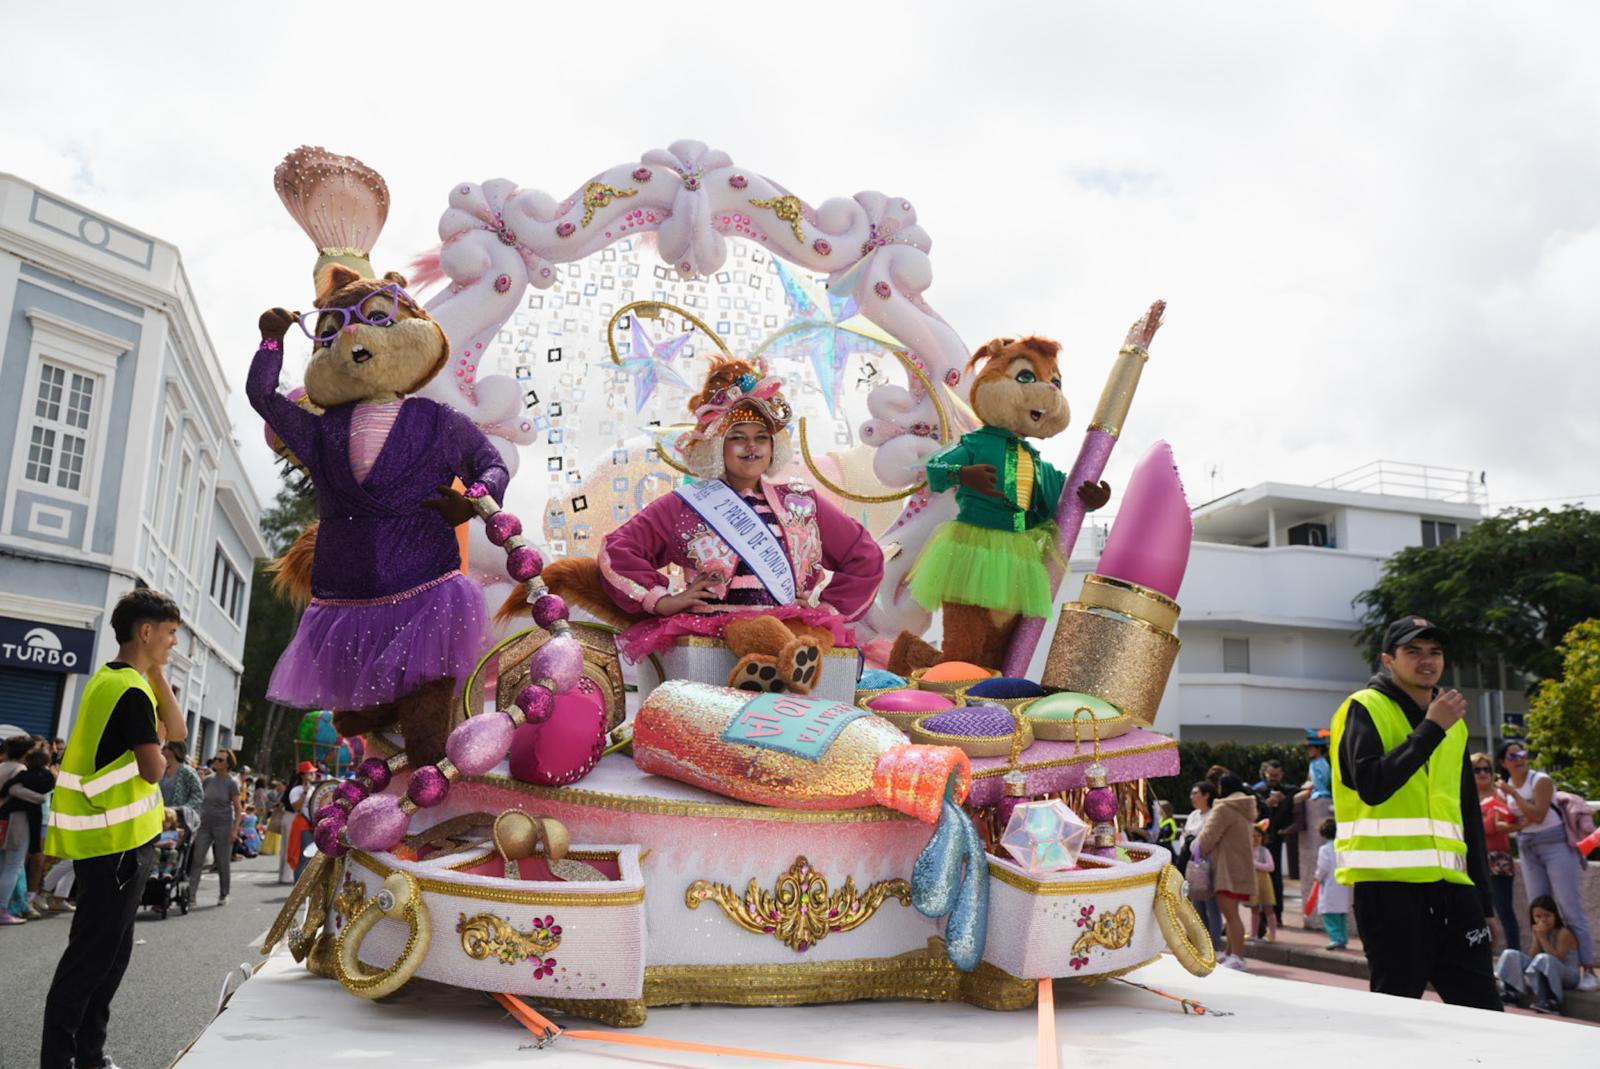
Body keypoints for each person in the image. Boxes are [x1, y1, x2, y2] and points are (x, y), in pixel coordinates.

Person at [42, 587, 188, 1069]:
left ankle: (89, 1054)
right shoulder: (129, 692)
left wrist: (158, 670)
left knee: (106, 956)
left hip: (114, 841)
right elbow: (154, 768)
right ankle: (64, 1058)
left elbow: (179, 731)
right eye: (168, 635)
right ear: (145, 631)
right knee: (92, 960)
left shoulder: (116, 679)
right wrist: (162, 750)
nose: (173, 644)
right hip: (117, 843)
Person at [1331, 617, 1500, 1010]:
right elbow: (1373, 786)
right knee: (1398, 1013)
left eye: (1435, 652)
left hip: (1454, 892)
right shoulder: (1364, 708)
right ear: (1388, 659)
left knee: (1486, 1015)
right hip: (1390, 893)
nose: (1427, 661)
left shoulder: (1451, 721)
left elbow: (1467, 816)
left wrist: (1485, 903)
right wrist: (1431, 728)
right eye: (1413, 651)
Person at [1498, 740, 1597, 990]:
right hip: (1528, 846)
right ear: (1503, 762)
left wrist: (1515, 798)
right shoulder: (1507, 787)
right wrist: (1520, 821)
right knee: (1539, 909)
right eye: (1513, 755)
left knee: (1570, 907)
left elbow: (1538, 815)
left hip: (1556, 845)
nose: (1520, 758)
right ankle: (1543, 969)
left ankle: (1588, 971)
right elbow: (1505, 824)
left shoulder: (1539, 780)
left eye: (1523, 753)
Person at [1197, 771, 1257, 971]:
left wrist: (1193, 846)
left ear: (1222, 788)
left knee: (1230, 915)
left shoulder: (1224, 808)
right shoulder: (1245, 807)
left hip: (1225, 868)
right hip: (1241, 865)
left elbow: (1206, 840)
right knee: (1233, 913)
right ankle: (1231, 953)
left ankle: (1238, 956)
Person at [1473, 750, 1522, 954]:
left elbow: (1513, 822)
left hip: (1499, 858)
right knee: (1477, 913)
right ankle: (1483, 956)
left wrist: (1492, 825)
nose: (1483, 773)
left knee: (1504, 911)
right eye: (1477, 769)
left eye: (1487, 769)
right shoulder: (1463, 796)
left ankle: (1514, 957)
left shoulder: (1500, 795)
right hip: (1474, 859)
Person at [1497, 896, 1582, 1014]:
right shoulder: (1538, 930)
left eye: (1547, 916)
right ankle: (1511, 993)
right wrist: (1537, 939)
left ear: (1555, 915)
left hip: (1568, 976)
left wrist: (1543, 939)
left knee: (1544, 959)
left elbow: (1558, 959)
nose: (1543, 920)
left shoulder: (1564, 933)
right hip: (1545, 966)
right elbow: (1533, 958)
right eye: (1538, 916)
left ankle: (1551, 1000)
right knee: (1510, 954)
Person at [1, 743, 56, 921]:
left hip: (5, 819)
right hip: (17, 821)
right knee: (13, 867)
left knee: (5, 865)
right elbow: (14, 789)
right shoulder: (20, 770)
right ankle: (3, 908)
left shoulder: (3, 766)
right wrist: (39, 798)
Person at [187, 749, 243, 907]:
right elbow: (200, 802)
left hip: (223, 825)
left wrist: (234, 830)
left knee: (222, 862)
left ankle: (224, 893)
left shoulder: (232, 783)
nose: (216, 762)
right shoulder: (208, 780)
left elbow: (238, 809)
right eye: (215, 759)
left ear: (228, 764)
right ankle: (191, 896)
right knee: (197, 860)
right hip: (204, 825)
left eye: (220, 760)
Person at [1177, 781, 1225, 952]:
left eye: (1195, 793)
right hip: (1192, 865)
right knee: (1196, 904)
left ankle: (1214, 945)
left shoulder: (1214, 815)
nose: (1192, 797)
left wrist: (1193, 841)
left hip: (1208, 865)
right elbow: (1184, 837)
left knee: (1212, 906)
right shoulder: (1193, 815)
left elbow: (1209, 839)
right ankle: (1200, 942)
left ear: (1207, 795)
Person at [1251, 758, 1294, 933]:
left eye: (1277, 775)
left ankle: (1277, 915)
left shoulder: (1288, 791)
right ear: (1265, 773)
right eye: (1271, 775)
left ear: (1282, 774)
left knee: (1276, 879)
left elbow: (1298, 794)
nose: (1274, 778)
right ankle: (1258, 919)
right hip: (1257, 841)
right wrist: (1266, 804)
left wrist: (1283, 800)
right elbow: (1253, 811)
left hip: (1275, 841)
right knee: (1255, 880)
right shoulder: (1258, 791)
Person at [1312, 817, 1352, 950]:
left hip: (1330, 883)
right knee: (1342, 915)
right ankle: (1344, 938)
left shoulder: (1325, 849)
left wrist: (1317, 877)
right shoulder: (1343, 847)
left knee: (1330, 914)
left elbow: (1323, 867)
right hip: (1343, 883)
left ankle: (1336, 938)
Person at [1249, 821, 1278, 942]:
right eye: (1253, 836)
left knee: (1268, 908)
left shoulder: (1264, 851)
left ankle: (1272, 935)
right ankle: (1254, 934)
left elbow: (1271, 867)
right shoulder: (1247, 851)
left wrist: (1255, 864)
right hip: (1252, 882)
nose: (1256, 839)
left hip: (1264, 882)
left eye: (1258, 836)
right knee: (1254, 909)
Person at [159, 740, 203, 813]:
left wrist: (182, 811)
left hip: (178, 819)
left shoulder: (188, 771)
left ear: (173, 750)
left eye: (164, 747)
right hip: (161, 815)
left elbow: (198, 795)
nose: (161, 750)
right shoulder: (162, 770)